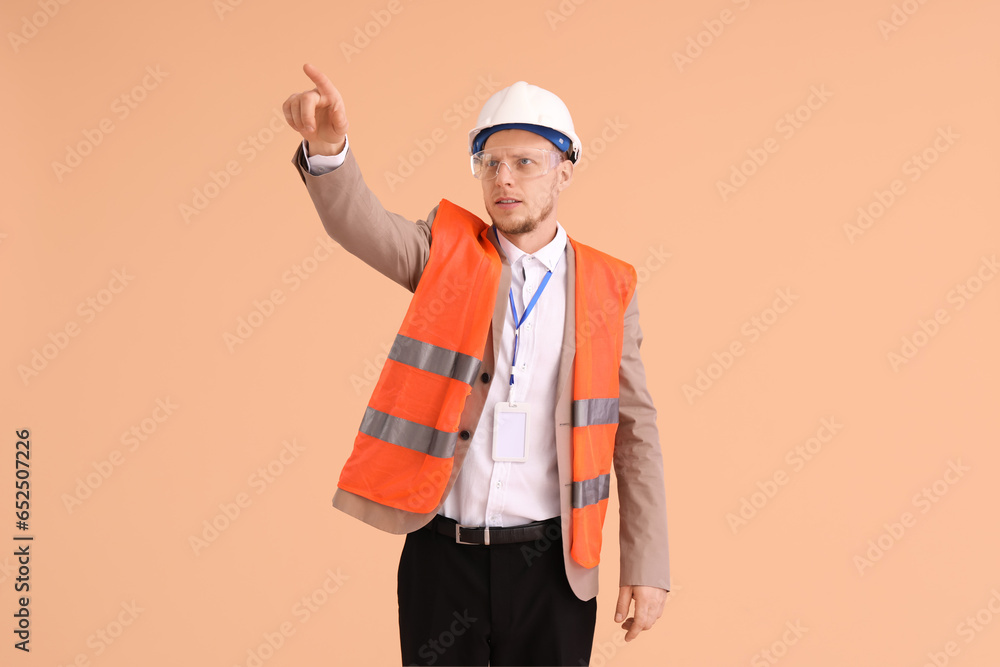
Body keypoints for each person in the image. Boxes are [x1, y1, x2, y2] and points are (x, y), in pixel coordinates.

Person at [283, 62, 670, 666]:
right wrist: (329, 151)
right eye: (489, 162)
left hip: (553, 568)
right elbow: (361, 227)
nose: (503, 178)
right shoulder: (446, 253)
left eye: (524, 162)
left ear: (564, 171)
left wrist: (647, 565)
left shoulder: (607, 286)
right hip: (444, 560)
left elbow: (636, 430)